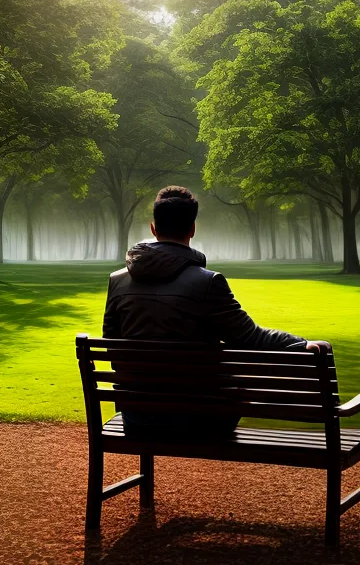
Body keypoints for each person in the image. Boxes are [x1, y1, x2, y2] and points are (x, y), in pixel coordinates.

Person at [102, 185, 319, 439]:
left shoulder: (117, 281)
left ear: (153, 228)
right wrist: (303, 344)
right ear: (192, 229)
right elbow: (250, 338)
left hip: (137, 420)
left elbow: (112, 347)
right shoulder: (208, 283)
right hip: (201, 422)